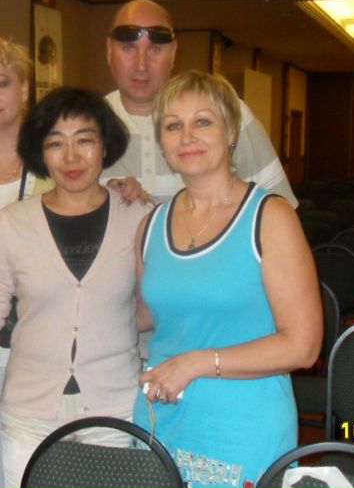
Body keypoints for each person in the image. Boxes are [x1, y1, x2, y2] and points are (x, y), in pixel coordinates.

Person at [0, 87, 151, 488]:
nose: (71, 156)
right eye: (55, 143)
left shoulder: (140, 215)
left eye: (84, 140)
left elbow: (157, 307)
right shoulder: (13, 223)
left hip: (115, 408)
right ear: (40, 152)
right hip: (29, 411)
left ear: (105, 145)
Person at [132, 70, 321, 488]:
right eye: (173, 126)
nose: (187, 136)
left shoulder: (270, 217)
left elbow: (303, 346)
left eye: (202, 121)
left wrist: (196, 362)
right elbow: (143, 318)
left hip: (241, 428)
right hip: (161, 420)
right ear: (162, 143)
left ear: (231, 131)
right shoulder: (149, 226)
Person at [103, 0, 298, 207]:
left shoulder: (226, 112)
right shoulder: (88, 126)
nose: (141, 65)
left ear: (173, 53)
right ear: (109, 51)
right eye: (128, 48)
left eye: (155, 49)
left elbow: (280, 209)